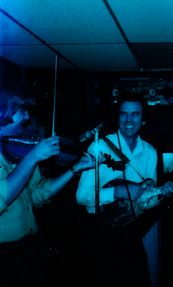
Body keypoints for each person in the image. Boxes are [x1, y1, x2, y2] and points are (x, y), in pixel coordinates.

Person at [76, 92, 173, 287]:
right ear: (117, 117)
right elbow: (81, 197)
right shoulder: (99, 146)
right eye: (124, 114)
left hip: (132, 230)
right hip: (99, 231)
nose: (129, 120)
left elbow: (145, 202)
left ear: (143, 119)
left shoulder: (150, 151)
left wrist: (160, 193)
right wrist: (118, 192)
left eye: (135, 114)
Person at [0, 88, 94, 287]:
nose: (27, 116)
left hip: (28, 245)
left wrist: (75, 169)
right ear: (3, 111)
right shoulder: (28, 156)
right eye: (21, 110)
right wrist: (33, 156)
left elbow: (37, 194)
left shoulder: (17, 151)